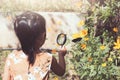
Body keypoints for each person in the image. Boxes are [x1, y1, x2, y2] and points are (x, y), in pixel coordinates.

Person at [3, 11, 66, 80]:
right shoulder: (48, 58)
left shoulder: (11, 58)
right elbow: (61, 72)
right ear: (42, 36)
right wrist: (61, 55)